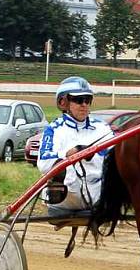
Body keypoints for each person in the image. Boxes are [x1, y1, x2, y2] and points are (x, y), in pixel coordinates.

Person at [38, 76, 114, 212]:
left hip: (98, 196)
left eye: (88, 100)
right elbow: (43, 163)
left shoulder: (102, 127)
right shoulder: (54, 129)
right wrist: (68, 155)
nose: (84, 105)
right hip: (66, 198)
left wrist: (94, 154)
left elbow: (115, 157)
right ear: (63, 102)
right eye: (79, 100)